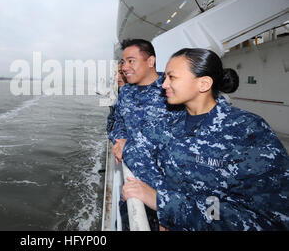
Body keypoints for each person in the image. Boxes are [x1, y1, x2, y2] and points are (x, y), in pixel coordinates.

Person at [122, 48, 289, 230]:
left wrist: (164, 203)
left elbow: (268, 218)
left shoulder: (247, 131)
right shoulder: (170, 122)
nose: (163, 85)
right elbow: (133, 151)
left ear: (203, 84)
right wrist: (162, 195)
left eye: (172, 77)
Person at [109, 39, 174, 230]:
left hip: (165, 189)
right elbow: (118, 121)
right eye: (123, 62)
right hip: (133, 183)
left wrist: (128, 146)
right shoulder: (126, 92)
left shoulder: (170, 90)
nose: (124, 67)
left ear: (150, 61)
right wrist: (119, 139)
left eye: (131, 61)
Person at [106, 63, 128, 134]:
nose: (117, 77)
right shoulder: (116, 93)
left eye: (121, 73)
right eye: (115, 74)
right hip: (112, 135)